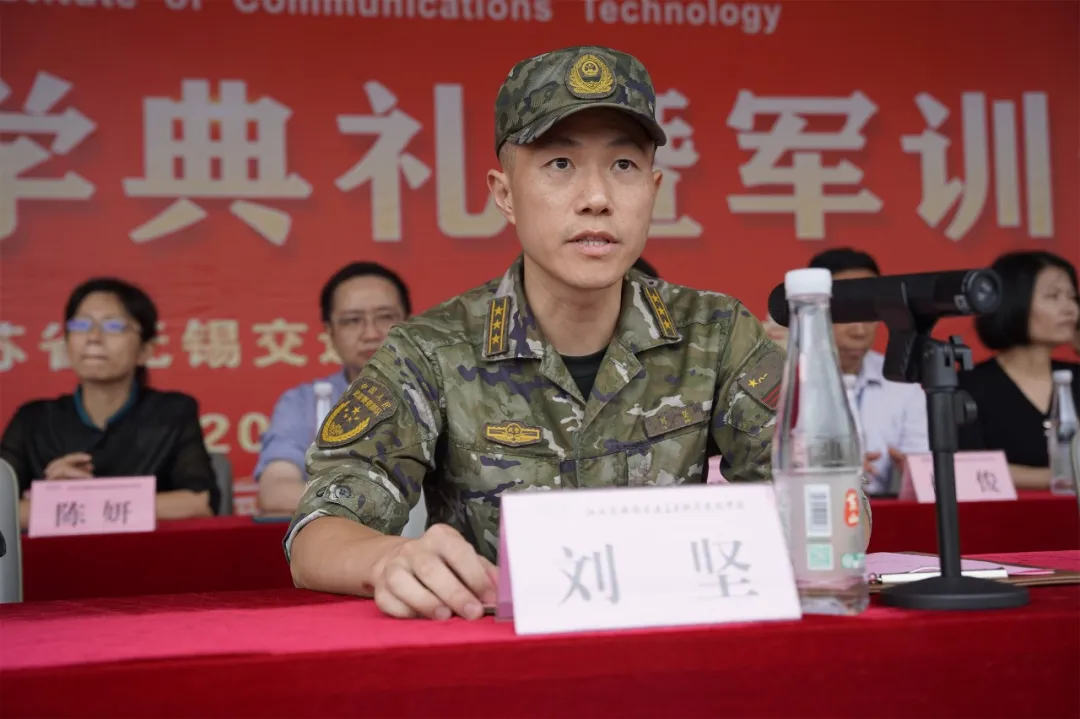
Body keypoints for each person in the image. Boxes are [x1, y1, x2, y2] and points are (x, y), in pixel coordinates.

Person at [285, 45, 869, 622]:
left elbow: (833, 507)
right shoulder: (430, 350)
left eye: (624, 166)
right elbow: (318, 531)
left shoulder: (715, 335)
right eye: (560, 164)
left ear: (654, 190)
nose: (596, 199)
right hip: (500, 655)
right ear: (505, 194)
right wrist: (390, 559)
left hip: (679, 644)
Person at [1, 278, 218, 528]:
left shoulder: (172, 413)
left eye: (113, 326)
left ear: (146, 350)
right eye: (81, 325)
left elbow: (200, 503)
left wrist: (70, 504)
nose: (93, 337)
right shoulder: (33, 420)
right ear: (66, 343)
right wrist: (55, 500)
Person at [255, 262, 426, 539]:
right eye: (352, 321)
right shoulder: (303, 403)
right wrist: (370, 505)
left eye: (385, 317)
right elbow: (275, 491)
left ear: (408, 323)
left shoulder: (444, 393)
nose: (371, 333)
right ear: (330, 331)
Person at [808, 248, 928, 495]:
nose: (860, 331)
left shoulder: (902, 383)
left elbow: (923, 467)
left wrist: (912, 475)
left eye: (870, 313)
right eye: (847, 314)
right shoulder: (785, 378)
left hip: (886, 511)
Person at [959, 251, 1080, 489]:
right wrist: (1062, 478)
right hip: (1004, 512)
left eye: (1072, 297)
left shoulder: (1075, 377)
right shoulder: (968, 386)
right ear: (1014, 301)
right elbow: (967, 467)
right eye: (1053, 296)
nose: (1070, 309)